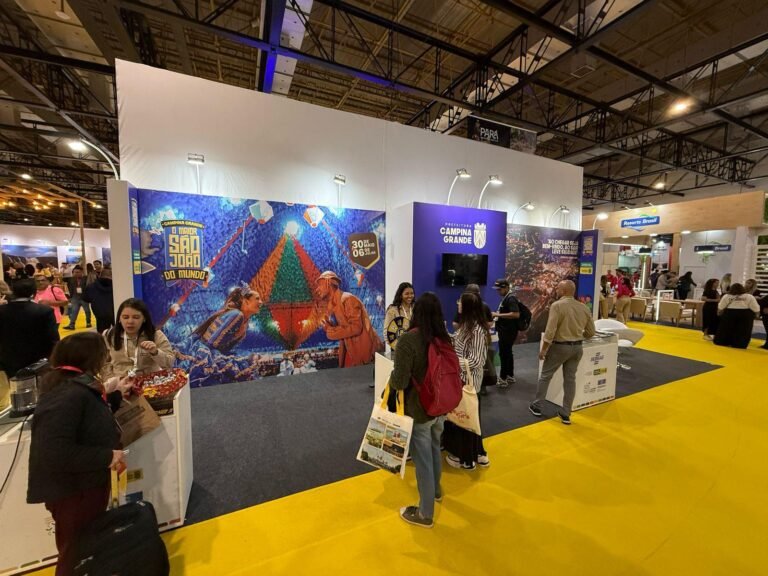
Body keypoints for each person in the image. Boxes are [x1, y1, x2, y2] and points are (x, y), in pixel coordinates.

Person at [27, 332, 133, 576]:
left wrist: (115, 395)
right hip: (74, 491)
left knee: (85, 547)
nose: (106, 359)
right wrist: (107, 456)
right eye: (103, 354)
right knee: (75, 553)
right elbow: (55, 452)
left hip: (82, 487)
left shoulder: (73, 386)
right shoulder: (68, 393)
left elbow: (89, 417)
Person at [389, 292, 450, 528]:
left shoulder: (408, 340)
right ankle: (435, 491)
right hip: (440, 407)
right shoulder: (444, 338)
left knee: (422, 460)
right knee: (435, 449)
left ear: (416, 312)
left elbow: (400, 381)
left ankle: (425, 513)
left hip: (419, 409)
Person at [529, 280, 596, 425]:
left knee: (545, 376)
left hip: (560, 347)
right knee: (570, 379)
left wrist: (544, 349)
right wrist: (577, 337)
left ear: (564, 291)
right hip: (577, 348)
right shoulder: (583, 307)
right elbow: (591, 332)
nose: (556, 290)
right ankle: (566, 413)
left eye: (558, 288)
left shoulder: (557, 305)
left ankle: (537, 406)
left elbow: (550, 330)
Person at [443, 293, 490, 471]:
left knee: (465, 419)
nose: (458, 304)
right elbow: (459, 345)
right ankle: (475, 454)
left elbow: (477, 361)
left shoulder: (477, 331)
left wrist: (454, 363)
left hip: (469, 383)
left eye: (460, 302)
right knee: (467, 418)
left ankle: (465, 457)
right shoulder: (466, 326)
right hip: (461, 381)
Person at [314, 271, 382, 367]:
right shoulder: (336, 304)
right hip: (358, 357)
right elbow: (345, 331)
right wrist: (330, 327)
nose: (317, 289)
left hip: (367, 357)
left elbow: (356, 328)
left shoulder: (347, 299)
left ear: (328, 283)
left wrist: (331, 331)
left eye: (320, 285)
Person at [102, 298, 175, 382]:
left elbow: (169, 364)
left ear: (144, 318)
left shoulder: (155, 335)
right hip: (119, 384)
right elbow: (103, 363)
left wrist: (155, 352)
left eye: (136, 317)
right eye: (125, 317)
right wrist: (111, 381)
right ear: (119, 319)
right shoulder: (109, 335)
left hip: (149, 384)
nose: (130, 321)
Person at [0, 279, 60, 378]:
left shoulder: (2, 310)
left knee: (14, 384)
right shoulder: (45, 311)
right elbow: (52, 337)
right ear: (34, 292)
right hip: (38, 358)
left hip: (9, 357)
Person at [192, 284, 262, 354]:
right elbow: (211, 342)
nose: (261, 302)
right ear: (246, 301)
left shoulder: (244, 323)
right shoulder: (237, 315)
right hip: (204, 351)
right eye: (257, 298)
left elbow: (226, 347)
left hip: (212, 352)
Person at [490, 278, 520, 388]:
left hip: (508, 331)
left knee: (504, 354)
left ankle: (503, 378)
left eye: (500, 289)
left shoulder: (511, 298)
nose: (498, 291)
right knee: (508, 353)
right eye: (497, 289)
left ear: (506, 288)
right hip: (507, 330)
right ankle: (510, 375)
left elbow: (516, 314)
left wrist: (497, 315)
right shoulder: (507, 297)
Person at [713, 283, 760, 349]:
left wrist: (719, 313)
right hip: (745, 314)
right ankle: (740, 344)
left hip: (730, 313)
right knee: (743, 330)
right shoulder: (749, 296)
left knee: (726, 328)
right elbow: (755, 307)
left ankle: (723, 341)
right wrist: (757, 313)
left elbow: (721, 307)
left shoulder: (727, 296)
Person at [383, 282, 414, 355]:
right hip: (399, 349)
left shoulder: (416, 308)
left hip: (414, 348)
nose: (410, 296)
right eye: (407, 294)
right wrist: (396, 346)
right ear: (400, 295)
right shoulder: (393, 310)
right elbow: (386, 332)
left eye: (412, 293)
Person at [83, 268, 115, 332]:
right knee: (119, 333)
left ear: (100, 275)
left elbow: (86, 299)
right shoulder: (117, 286)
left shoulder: (91, 287)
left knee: (102, 333)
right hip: (114, 312)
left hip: (99, 314)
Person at [63, 265, 92, 330]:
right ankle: (71, 325)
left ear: (82, 272)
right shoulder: (71, 279)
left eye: (78, 272)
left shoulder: (86, 278)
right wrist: (70, 298)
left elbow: (89, 287)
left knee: (87, 311)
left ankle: (88, 323)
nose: (76, 273)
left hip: (84, 297)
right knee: (74, 311)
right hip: (75, 297)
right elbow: (70, 288)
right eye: (74, 272)